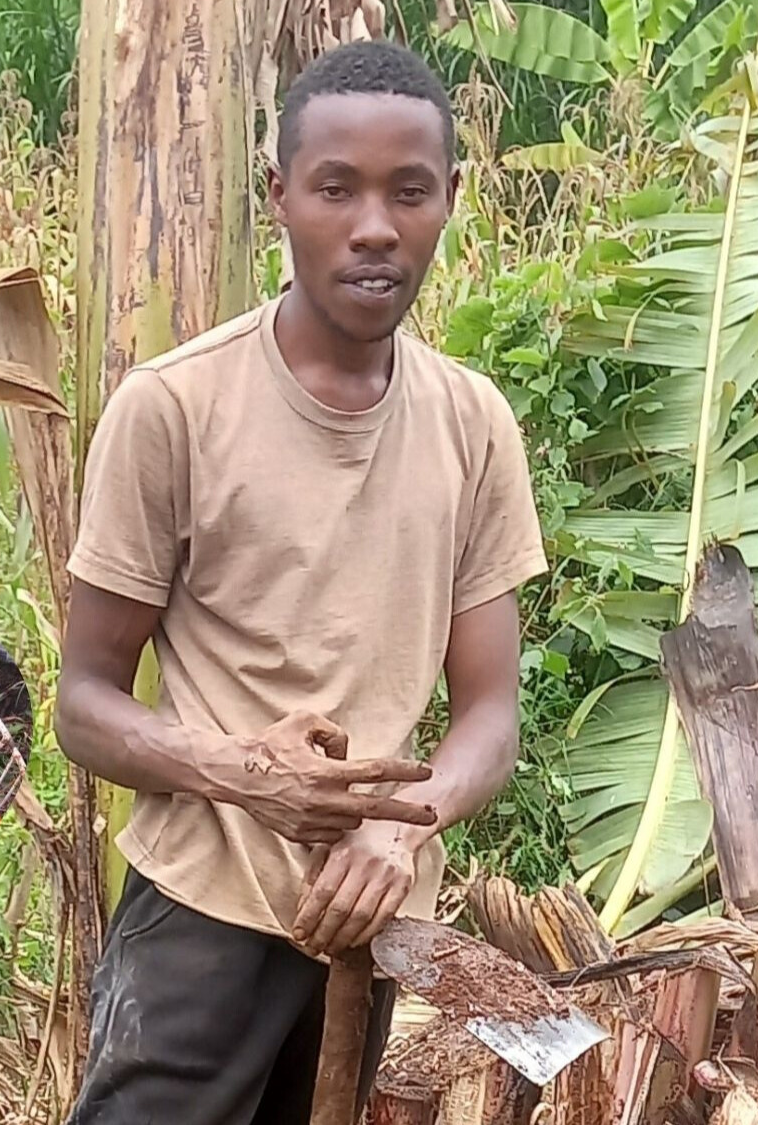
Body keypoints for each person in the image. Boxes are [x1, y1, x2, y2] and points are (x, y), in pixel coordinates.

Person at [56, 37, 548, 1125]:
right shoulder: (174, 409)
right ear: (278, 195)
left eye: (408, 192)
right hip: (199, 919)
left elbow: (489, 717)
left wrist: (399, 827)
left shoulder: (472, 426)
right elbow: (82, 708)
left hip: (366, 926)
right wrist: (242, 773)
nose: (373, 226)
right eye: (336, 189)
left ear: (451, 199)